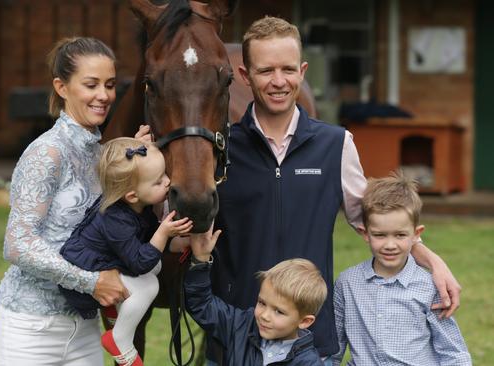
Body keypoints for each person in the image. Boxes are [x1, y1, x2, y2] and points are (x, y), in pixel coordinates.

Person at [208, 16, 462, 363]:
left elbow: (376, 219)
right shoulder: (220, 150)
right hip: (237, 340)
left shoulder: (335, 144)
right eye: (266, 71)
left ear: (303, 70)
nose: (279, 81)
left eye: (288, 69)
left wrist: (432, 261)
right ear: (244, 76)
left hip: (311, 345)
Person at [0, 37, 151, 365]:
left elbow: (112, 226)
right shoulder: (46, 152)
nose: (104, 96)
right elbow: (18, 245)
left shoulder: (104, 153)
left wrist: (137, 165)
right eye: (91, 85)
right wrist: (91, 282)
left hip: (85, 330)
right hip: (29, 329)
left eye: (109, 85)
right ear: (62, 87)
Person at [59, 137, 193, 366]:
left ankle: (115, 311)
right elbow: (141, 263)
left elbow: (148, 242)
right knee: (150, 284)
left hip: (111, 262)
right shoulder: (115, 220)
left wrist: (176, 240)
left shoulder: (137, 206)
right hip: (86, 271)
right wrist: (163, 233)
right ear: (132, 195)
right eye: (159, 181)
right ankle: (118, 339)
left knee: (155, 267)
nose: (168, 182)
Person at [332, 172, 471, 365]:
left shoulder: (430, 287)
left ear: (416, 234)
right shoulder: (346, 283)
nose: (390, 245)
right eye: (380, 235)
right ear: (365, 233)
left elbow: (453, 353)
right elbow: (333, 350)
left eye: (400, 235)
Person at [185, 224, 327, 365]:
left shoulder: (308, 363)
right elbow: (201, 305)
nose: (264, 315)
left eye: (279, 312)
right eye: (262, 303)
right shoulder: (239, 326)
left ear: (304, 321)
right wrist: (200, 261)